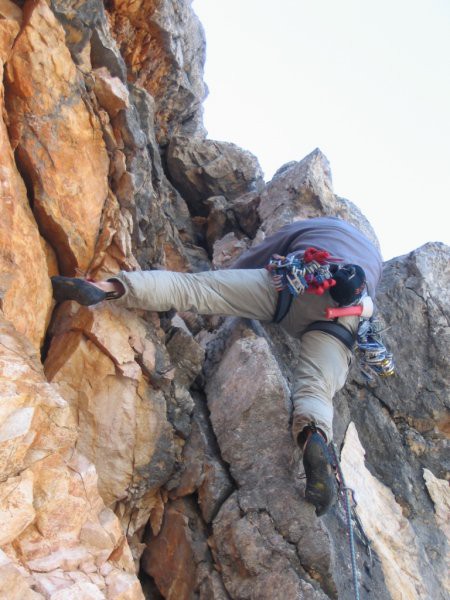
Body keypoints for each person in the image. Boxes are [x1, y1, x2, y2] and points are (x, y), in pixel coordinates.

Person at [51, 216, 383, 516]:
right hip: (344, 313)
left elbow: (263, 254)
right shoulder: (374, 262)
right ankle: (314, 437)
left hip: (299, 281)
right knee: (317, 385)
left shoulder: (319, 226)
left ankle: (106, 289)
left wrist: (233, 282)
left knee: (195, 290)